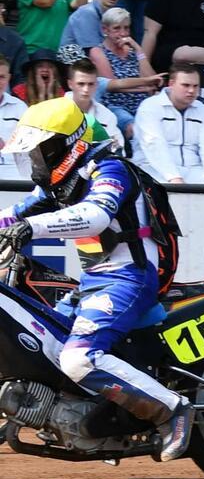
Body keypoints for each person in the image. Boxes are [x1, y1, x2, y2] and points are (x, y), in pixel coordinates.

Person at [1, 96, 193, 459]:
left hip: (130, 278)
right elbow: (10, 215)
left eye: (38, 152)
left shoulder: (110, 170)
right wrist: (15, 224)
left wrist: (30, 229)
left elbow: (96, 215)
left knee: (78, 359)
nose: (34, 162)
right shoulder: (59, 184)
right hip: (92, 281)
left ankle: (173, 409)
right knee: (50, 351)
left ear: (64, 146)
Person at [133, 68, 204, 185]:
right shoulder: (150, 107)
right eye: (185, 85)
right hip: (151, 167)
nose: (191, 90)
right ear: (171, 84)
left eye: (195, 86)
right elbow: (153, 144)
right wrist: (174, 177)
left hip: (194, 169)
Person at [92, 6, 162, 131]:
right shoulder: (98, 52)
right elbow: (113, 86)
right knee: (133, 128)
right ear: (105, 29)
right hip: (115, 105)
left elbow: (150, 77)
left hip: (141, 103)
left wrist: (138, 49)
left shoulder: (132, 51)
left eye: (126, 28)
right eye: (117, 28)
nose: (123, 33)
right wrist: (145, 86)